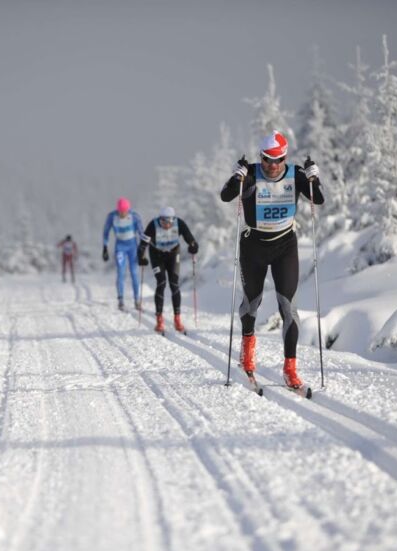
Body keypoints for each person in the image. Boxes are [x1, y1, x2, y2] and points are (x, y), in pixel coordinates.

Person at [220, 130, 324, 390]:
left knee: (288, 308)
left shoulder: (296, 174)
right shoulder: (252, 173)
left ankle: (290, 369)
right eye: (267, 159)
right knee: (252, 303)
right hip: (253, 245)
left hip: (285, 246)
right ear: (261, 157)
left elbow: (318, 199)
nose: (273, 166)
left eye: (278, 159)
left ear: (285, 157)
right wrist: (237, 176)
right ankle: (246, 354)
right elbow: (226, 195)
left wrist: (314, 179)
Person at [137, 207, 198, 334]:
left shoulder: (179, 223)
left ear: (173, 219)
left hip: (173, 253)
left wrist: (193, 246)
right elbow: (143, 244)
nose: (166, 224)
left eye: (169, 222)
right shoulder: (153, 225)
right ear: (160, 219)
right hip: (156, 254)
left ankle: (177, 319)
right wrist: (141, 257)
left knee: (174, 284)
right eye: (163, 222)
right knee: (161, 282)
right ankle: (159, 320)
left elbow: (189, 238)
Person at [102, 197, 144, 310]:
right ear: (117, 210)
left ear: (128, 210)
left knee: (134, 273)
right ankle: (120, 300)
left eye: (124, 212)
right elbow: (106, 231)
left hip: (132, 247)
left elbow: (141, 233)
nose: (122, 214)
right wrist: (105, 247)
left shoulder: (134, 216)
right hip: (120, 247)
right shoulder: (112, 216)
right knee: (121, 273)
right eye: (120, 212)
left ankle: (137, 300)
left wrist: (142, 249)